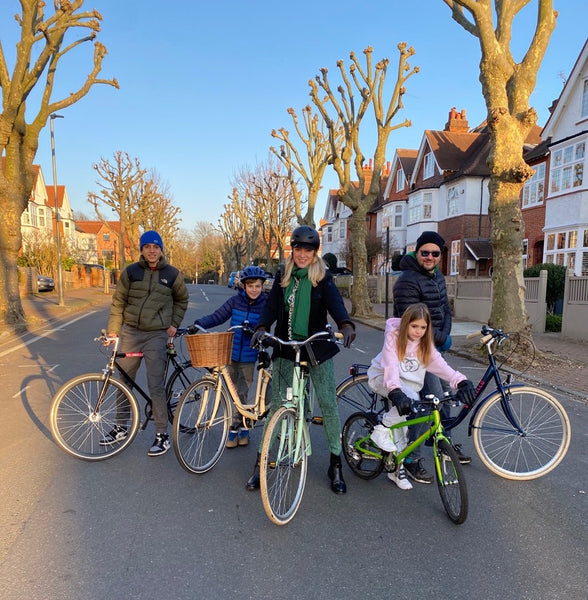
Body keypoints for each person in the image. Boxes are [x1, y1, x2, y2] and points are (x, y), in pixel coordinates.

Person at [246, 225, 356, 494]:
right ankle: (260, 463)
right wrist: (262, 328)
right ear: (292, 249)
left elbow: (335, 304)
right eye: (298, 248)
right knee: (277, 406)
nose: (303, 254)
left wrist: (346, 323)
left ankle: (335, 463)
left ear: (315, 252)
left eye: (308, 250)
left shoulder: (323, 277)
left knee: (328, 404)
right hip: (286, 347)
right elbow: (272, 306)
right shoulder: (283, 275)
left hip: (316, 347)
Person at [367, 303, 475, 490]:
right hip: (383, 378)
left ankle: (395, 467)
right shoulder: (393, 337)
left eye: (423, 327)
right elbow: (390, 364)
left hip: (407, 386)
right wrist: (395, 390)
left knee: (409, 422)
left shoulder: (425, 344)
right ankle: (381, 429)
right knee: (411, 401)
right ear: (406, 324)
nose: (418, 331)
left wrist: (461, 381)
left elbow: (440, 365)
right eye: (414, 326)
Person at [101, 230, 189, 456]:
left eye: (156, 247)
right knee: (124, 382)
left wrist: (174, 323)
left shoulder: (172, 274)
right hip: (131, 332)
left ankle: (162, 435)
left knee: (155, 385)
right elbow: (118, 301)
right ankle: (121, 427)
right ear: (141, 249)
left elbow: (182, 299)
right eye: (147, 246)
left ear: (161, 249)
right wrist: (113, 330)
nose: (152, 250)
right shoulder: (130, 272)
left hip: (156, 334)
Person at [393, 230, 470, 484]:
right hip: (416, 349)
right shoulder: (407, 279)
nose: (429, 257)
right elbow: (411, 322)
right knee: (430, 402)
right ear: (417, 253)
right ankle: (410, 458)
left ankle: (441, 444)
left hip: (435, 345)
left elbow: (445, 308)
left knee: (448, 397)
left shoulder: (437, 275)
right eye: (424, 252)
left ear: (440, 255)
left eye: (434, 253)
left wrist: (445, 334)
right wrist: (437, 338)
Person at [193, 265, 268, 448]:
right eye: (250, 286)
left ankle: (240, 428)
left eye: (258, 286)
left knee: (242, 391)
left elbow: (268, 325)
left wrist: (260, 332)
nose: (254, 290)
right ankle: (235, 427)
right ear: (243, 286)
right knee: (232, 392)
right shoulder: (235, 302)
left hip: (250, 357)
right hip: (231, 354)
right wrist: (199, 323)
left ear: (262, 286)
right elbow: (218, 316)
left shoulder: (265, 304)